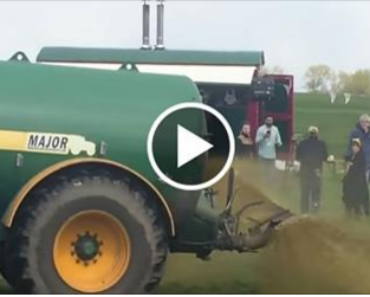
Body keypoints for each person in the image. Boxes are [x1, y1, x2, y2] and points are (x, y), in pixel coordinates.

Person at [296, 126, 330, 214]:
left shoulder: (302, 143)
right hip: (317, 172)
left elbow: (297, 157)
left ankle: (304, 213)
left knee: (305, 193)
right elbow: (326, 158)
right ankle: (315, 212)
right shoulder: (322, 144)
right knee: (316, 192)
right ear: (317, 134)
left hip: (305, 172)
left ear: (309, 133)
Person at [342, 139, 370, 217]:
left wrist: (351, 165)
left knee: (357, 197)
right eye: (353, 146)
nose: (354, 148)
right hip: (352, 180)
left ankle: (357, 213)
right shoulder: (352, 156)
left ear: (359, 147)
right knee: (350, 195)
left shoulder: (361, 156)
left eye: (356, 146)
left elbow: (359, 168)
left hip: (358, 181)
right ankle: (350, 212)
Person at [255, 116, 282, 182]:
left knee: (271, 174)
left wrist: (278, 143)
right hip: (262, 155)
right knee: (262, 173)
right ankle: (261, 185)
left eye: (271, 120)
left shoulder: (275, 129)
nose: (269, 122)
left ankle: (269, 187)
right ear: (265, 121)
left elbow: (279, 140)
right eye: (268, 120)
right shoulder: (260, 129)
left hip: (272, 156)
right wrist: (264, 137)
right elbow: (256, 141)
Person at [345, 114, 370, 181]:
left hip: (368, 162)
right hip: (357, 162)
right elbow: (352, 146)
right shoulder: (355, 132)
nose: (364, 123)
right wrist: (348, 158)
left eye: (367, 121)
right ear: (359, 122)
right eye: (362, 121)